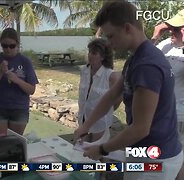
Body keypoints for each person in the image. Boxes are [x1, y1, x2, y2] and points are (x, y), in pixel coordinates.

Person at [73, 1, 183, 179]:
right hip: (144, 151)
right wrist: (85, 126)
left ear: (127, 28)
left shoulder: (147, 65)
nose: (108, 43)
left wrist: (101, 149)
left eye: (111, 36)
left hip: (155, 159)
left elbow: (140, 129)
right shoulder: (136, 58)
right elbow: (111, 95)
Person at [0, 28, 38, 135]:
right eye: (4, 46)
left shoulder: (25, 61)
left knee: (15, 143)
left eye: (11, 46)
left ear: (17, 44)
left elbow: (31, 90)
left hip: (19, 108)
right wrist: (0, 72)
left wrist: (16, 80)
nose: (8, 49)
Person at [151, 9, 184, 180]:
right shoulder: (166, 45)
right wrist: (156, 34)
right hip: (161, 114)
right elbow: (144, 60)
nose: (171, 31)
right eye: (170, 27)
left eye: (177, 29)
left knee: (179, 159)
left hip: (180, 117)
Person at [78, 38, 121, 143]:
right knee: (81, 152)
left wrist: (106, 112)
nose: (90, 55)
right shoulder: (84, 71)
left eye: (94, 53)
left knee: (97, 153)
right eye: (89, 52)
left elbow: (117, 100)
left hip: (100, 123)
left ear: (102, 56)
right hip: (83, 119)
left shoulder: (110, 76)